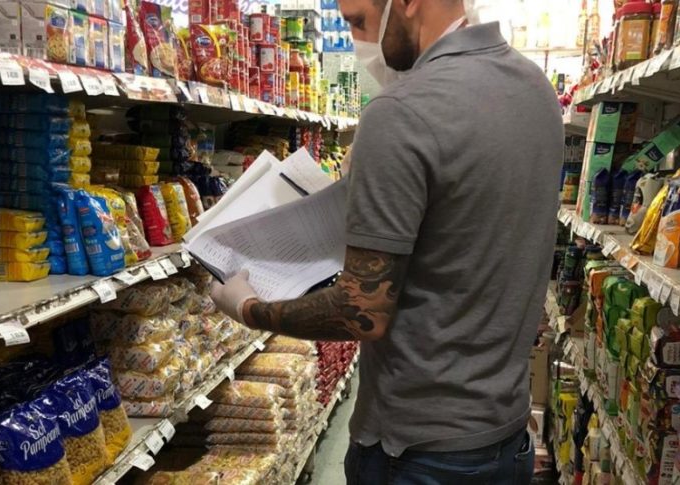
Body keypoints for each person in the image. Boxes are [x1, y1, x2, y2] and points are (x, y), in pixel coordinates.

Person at [210, 0, 564, 482]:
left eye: (359, 21)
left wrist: (249, 308)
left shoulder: (402, 111)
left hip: (417, 451)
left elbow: (361, 311)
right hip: (505, 433)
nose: (357, 42)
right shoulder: (535, 88)